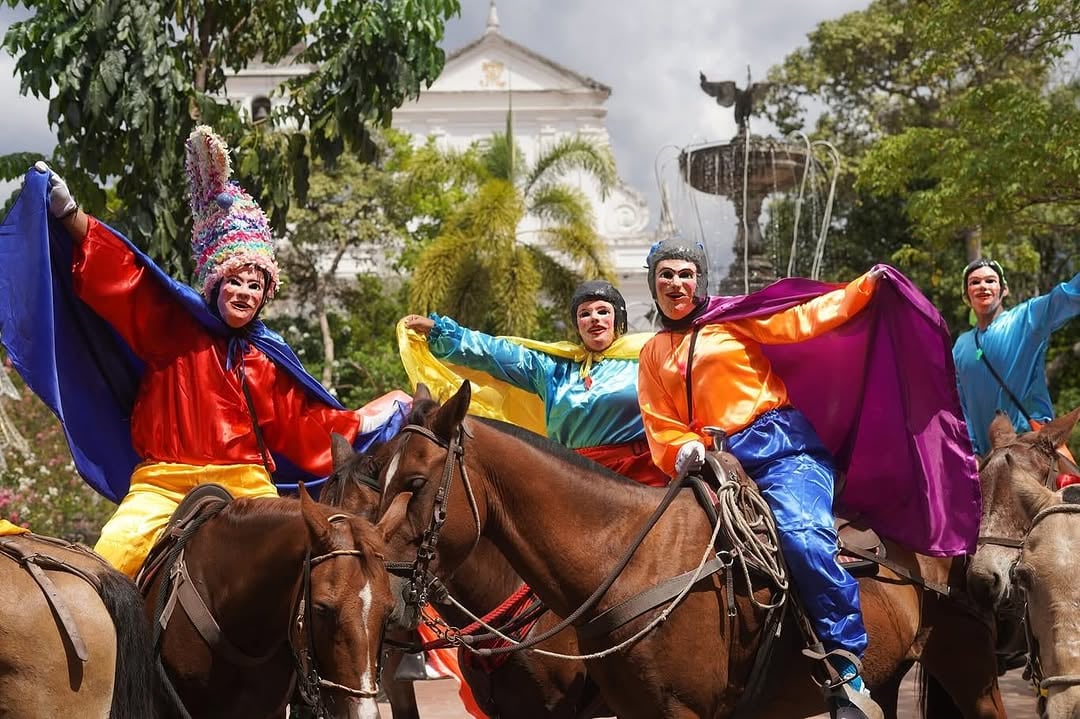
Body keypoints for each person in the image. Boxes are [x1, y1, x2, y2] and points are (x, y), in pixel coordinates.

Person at [12, 126, 404, 577]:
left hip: (245, 482)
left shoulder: (263, 357)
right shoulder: (172, 325)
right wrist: (70, 215)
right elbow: (126, 275)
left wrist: (373, 417)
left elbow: (304, 426)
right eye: (235, 281)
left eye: (254, 285)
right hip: (162, 482)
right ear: (216, 283)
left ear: (265, 294)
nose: (243, 292)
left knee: (303, 562)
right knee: (110, 561)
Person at [636, 238, 884, 718]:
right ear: (653, 284)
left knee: (802, 538)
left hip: (783, 453)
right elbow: (656, 416)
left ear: (700, 279)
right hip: (711, 463)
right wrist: (681, 445)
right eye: (665, 275)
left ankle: (846, 668)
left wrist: (861, 291)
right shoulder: (651, 353)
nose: (675, 283)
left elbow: (804, 318)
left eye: (685, 274)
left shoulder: (735, 318)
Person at [400, 279, 668, 487]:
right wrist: (441, 331)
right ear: (577, 325)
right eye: (585, 313)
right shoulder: (555, 368)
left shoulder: (648, 356)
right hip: (574, 476)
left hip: (639, 473)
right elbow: (495, 353)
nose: (594, 318)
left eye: (602, 311)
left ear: (617, 319)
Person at [952, 258, 1080, 457]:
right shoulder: (960, 347)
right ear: (966, 295)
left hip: (1032, 451)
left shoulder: (1026, 318)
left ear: (1004, 290)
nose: (983, 286)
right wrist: (971, 454)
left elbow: (1065, 297)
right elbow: (960, 407)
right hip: (986, 464)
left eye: (990, 281)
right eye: (974, 282)